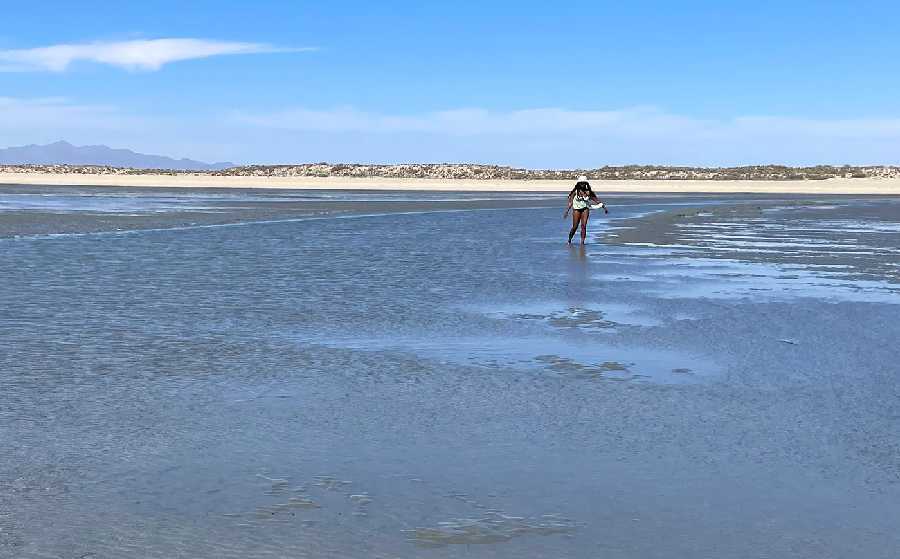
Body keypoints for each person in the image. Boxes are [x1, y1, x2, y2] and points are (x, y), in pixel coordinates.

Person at [564, 175, 607, 244]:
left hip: (585, 209)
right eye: (581, 183)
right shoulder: (575, 191)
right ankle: (569, 240)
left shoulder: (588, 192)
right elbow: (570, 202)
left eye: (584, 183)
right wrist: (567, 211)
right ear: (578, 183)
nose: (582, 184)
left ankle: (582, 242)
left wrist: (604, 208)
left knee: (583, 225)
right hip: (576, 209)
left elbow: (596, 200)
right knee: (575, 226)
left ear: (586, 183)